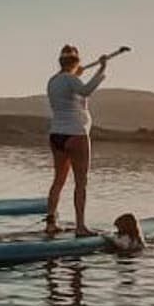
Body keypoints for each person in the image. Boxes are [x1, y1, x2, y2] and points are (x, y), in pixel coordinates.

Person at [45, 44, 107, 237]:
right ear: (76, 62)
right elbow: (86, 91)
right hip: (76, 134)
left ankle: (50, 223)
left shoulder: (53, 81)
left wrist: (76, 75)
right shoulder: (71, 80)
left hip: (57, 135)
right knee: (81, 183)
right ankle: (80, 226)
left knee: (58, 181)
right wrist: (102, 69)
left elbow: (72, 91)